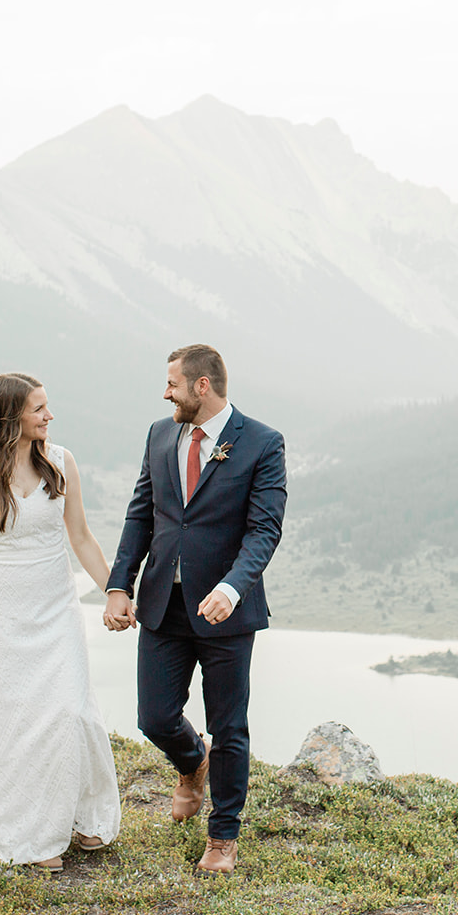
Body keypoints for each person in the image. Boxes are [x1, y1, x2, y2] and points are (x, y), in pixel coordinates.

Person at [0, 372, 122, 872]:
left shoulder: (61, 462)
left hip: (54, 609)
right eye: (39, 409)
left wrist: (116, 591)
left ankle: (75, 816)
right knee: (3, 722)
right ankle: (28, 835)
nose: (49, 416)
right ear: (10, 416)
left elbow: (81, 537)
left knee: (67, 712)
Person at [103, 344, 287, 875]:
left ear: (201, 386)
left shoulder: (262, 443)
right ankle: (191, 761)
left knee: (229, 725)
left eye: (173, 384)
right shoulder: (161, 435)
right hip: (165, 603)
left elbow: (264, 529)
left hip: (227, 610)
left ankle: (223, 835)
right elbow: (142, 514)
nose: (166, 393)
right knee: (154, 716)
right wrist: (121, 585)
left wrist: (232, 588)